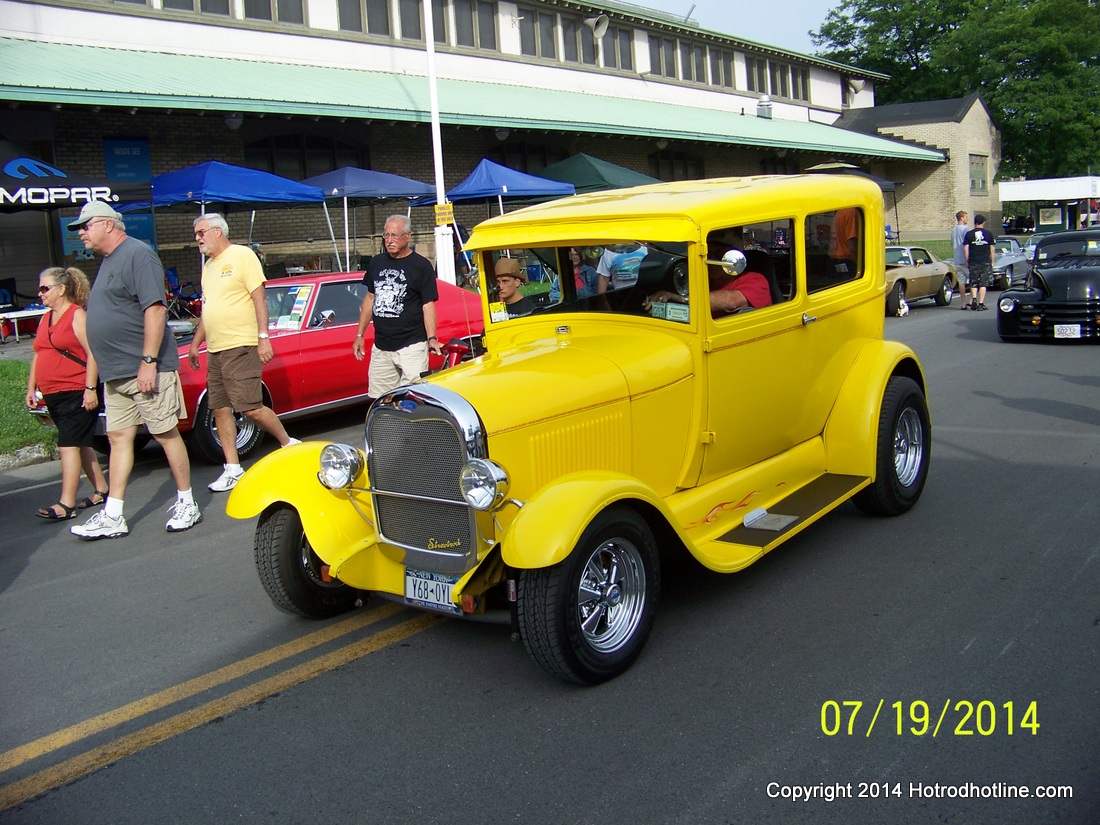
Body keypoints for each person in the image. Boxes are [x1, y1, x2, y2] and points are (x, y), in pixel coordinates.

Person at [66, 201, 201, 540]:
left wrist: (148, 361)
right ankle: (113, 514)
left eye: (85, 225)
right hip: (117, 372)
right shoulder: (109, 261)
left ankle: (187, 502)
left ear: (109, 225)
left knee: (165, 433)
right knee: (118, 438)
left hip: (143, 367)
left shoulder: (138, 254)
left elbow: (154, 311)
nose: (81, 232)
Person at [187, 213, 301, 493]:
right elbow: (209, 309)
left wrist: (264, 337)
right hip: (215, 348)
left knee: (249, 406)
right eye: (196, 234)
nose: (198, 238)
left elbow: (258, 296)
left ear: (217, 231)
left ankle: (288, 444)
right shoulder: (209, 267)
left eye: (201, 232)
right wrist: (195, 343)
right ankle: (233, 468)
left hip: (241, 344)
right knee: (220, 407)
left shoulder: (242, 256)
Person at [24, 266, 109, 520]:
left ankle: (66, 504)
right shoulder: (45, 318)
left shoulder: (77, 315)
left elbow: (92, 353)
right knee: (81, 444)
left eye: (44, 288)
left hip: (76, 391)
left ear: (61, 289)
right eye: (39, 288)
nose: (40, 294)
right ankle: (102, 489)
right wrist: (32, 387)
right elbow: (39, 353)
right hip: (53, 393)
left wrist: (90, 388)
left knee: (68, 445)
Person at [352, 214, 442, 400]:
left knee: (413, 398)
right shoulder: (377, 262)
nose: (389, 241)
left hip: (411, 345)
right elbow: (370, 298)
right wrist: (359, 335)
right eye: (386, 236)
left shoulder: (421, 266)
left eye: (394, 235)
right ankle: (387, 429)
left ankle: (414, 429)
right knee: (382, 399)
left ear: (407, 236)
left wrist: (432, 337)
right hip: (382, 345)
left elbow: (427, 305)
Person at [646, 245, 772, 316]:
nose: (711, 262)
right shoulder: (702, 283)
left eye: (718, 256)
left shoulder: (756, 280)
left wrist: (680, 299)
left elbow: (732, 301)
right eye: (708, 256)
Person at [963, 213, 996, 311]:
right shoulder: (989, 234)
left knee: (973, 281)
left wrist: (967, 260)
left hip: (973, 261)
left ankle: (973, 299)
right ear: (983, 223)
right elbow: (992, 249)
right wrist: (992, 261)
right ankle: (981, 303)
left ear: (975, 223)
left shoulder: (969, 234)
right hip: (985, 261)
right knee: (983, 283)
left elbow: (965, 248)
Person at [952, 210, 970, 310]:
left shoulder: (953, 230)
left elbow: (952, 244)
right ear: (962, 218)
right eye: (966, 217)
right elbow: (967, 245)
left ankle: (963, 303)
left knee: (961, 282)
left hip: (957, 259)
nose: (968, 219)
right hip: (965, 259)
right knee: (972, 280)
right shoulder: (966, 229)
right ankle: (972, 300)